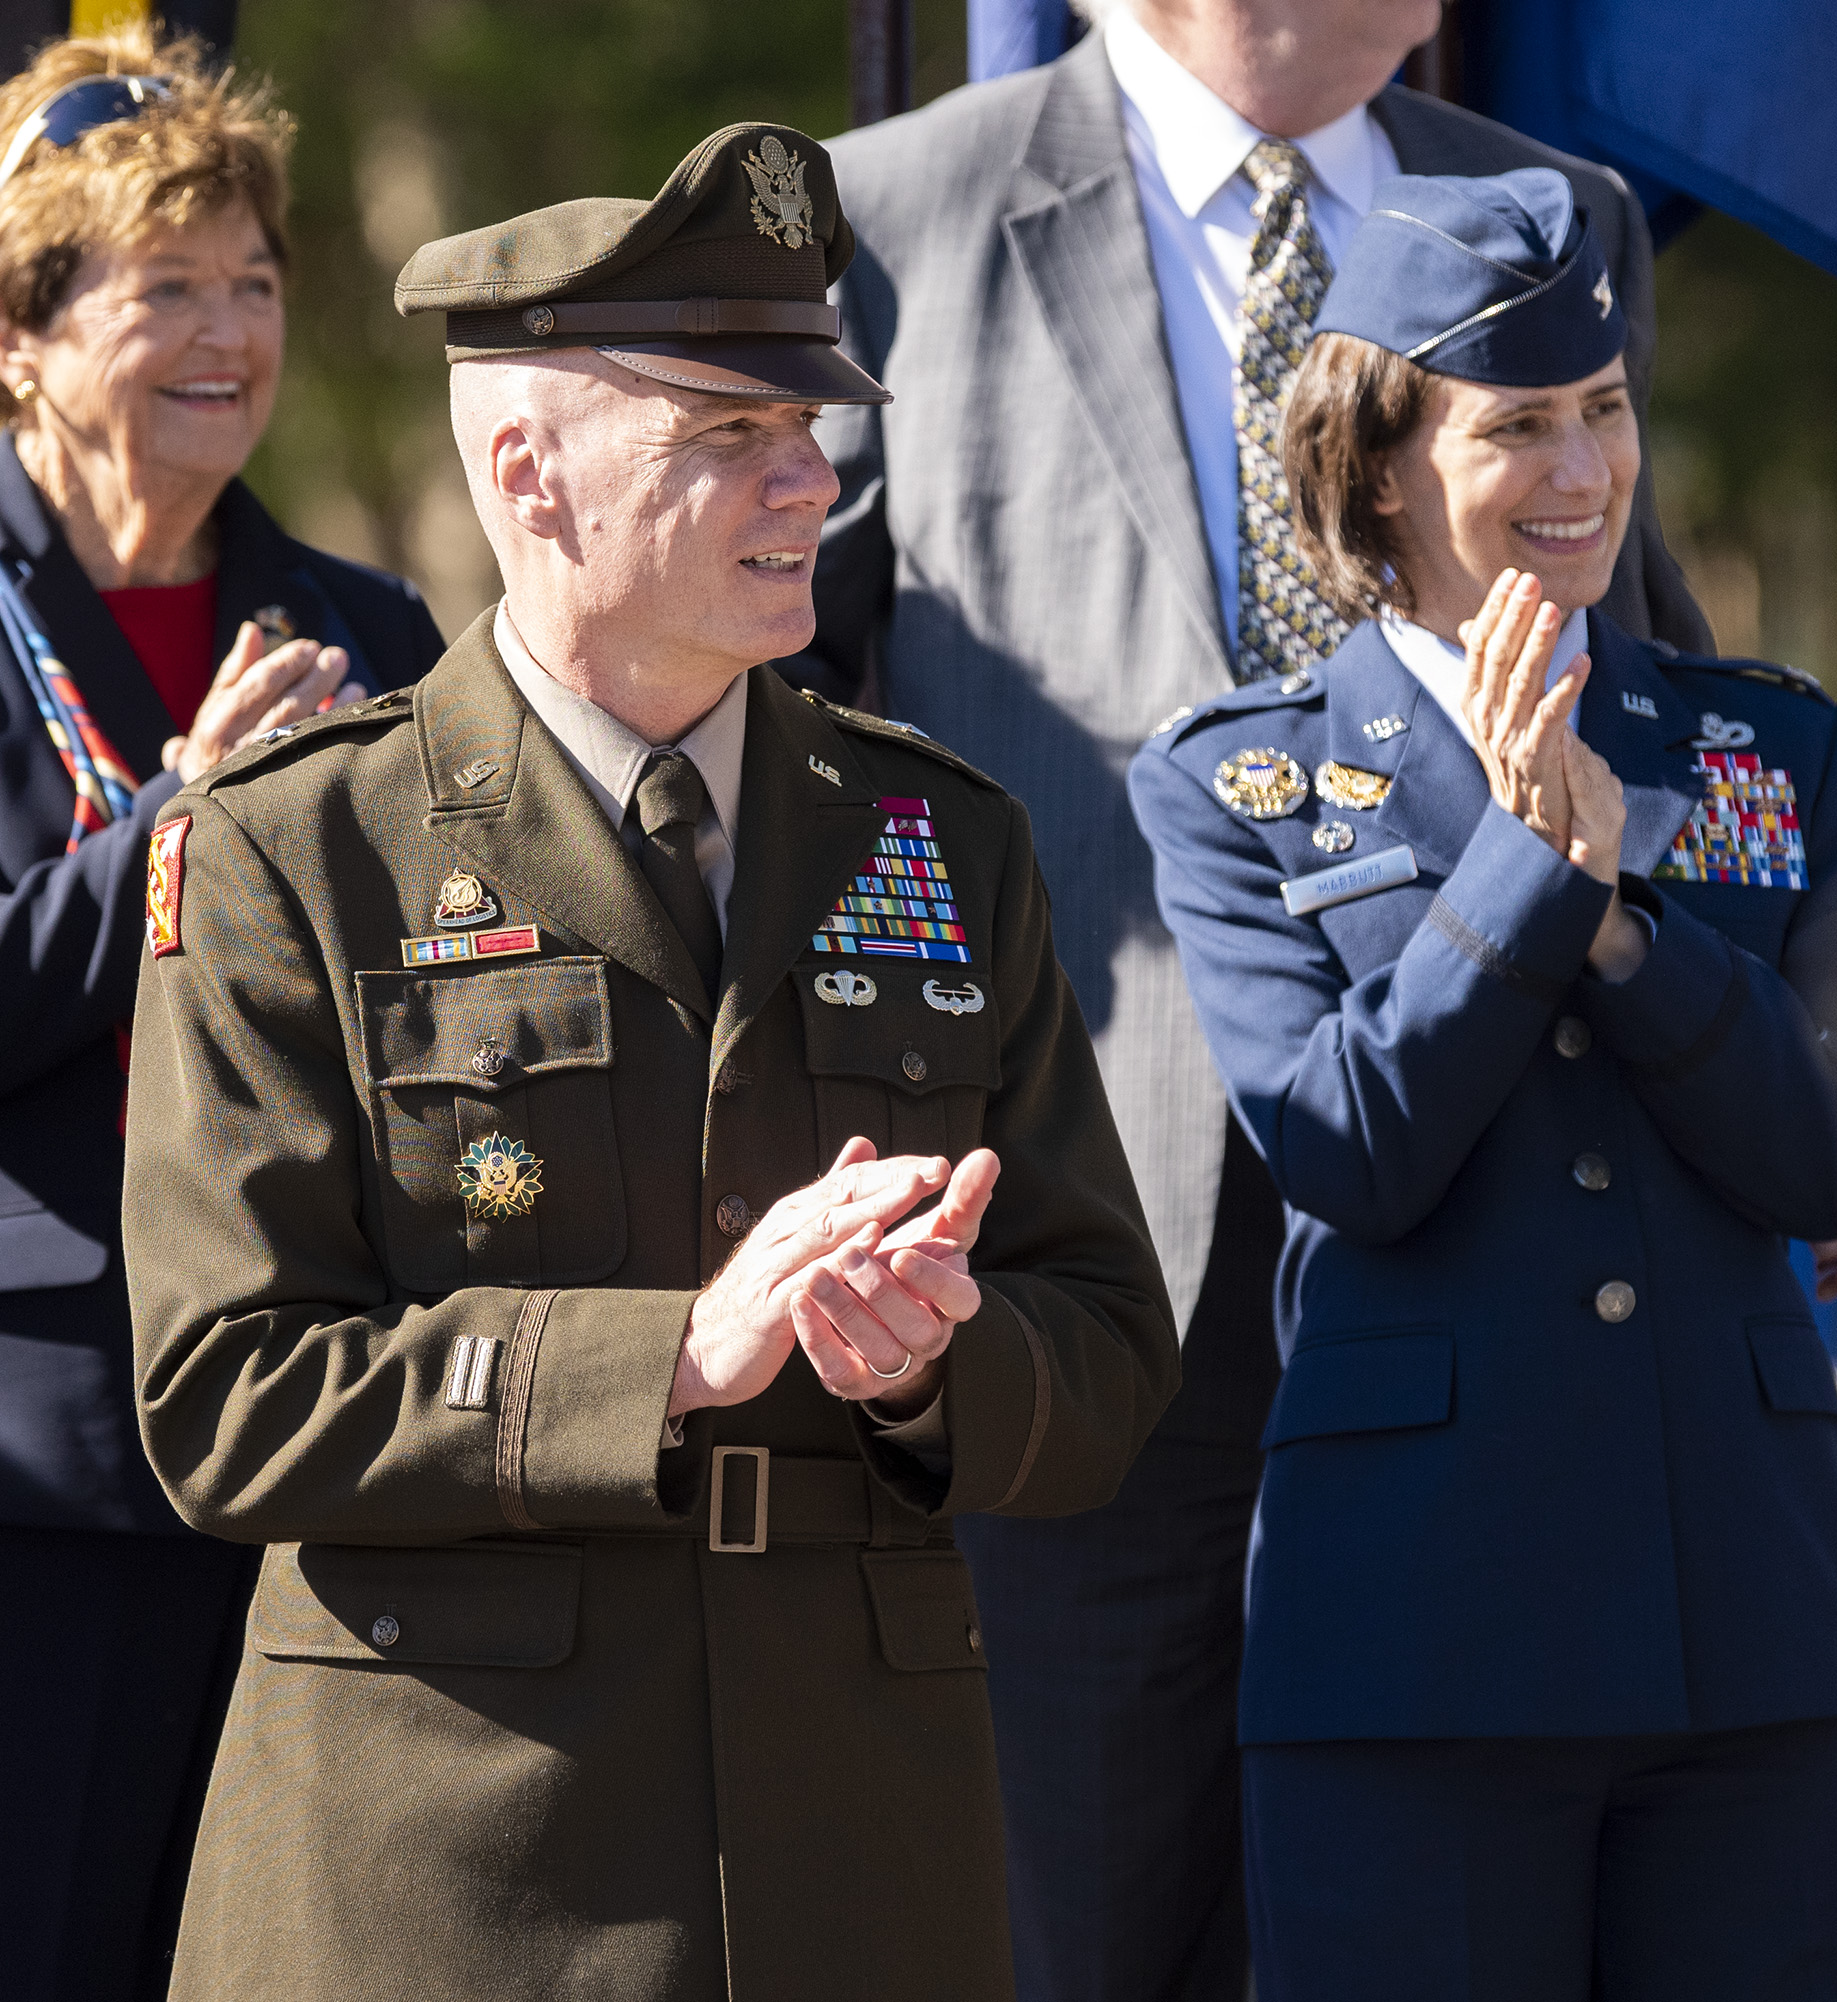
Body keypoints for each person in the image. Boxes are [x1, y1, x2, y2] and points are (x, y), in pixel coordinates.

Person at [119, 123, 1178, 2000]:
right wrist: (667, 1360)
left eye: (815, 426)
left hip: (859, 1857)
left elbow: (1102, 1348)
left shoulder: (939, 837)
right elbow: (224, 1392)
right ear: (530, 474)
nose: (810, 481)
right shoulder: (299, 847)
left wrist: (939, 1364)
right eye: (726, 440)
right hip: (461, 1873)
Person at [806, 8, 1711, 1996]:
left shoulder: (1548, 210)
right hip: (1077, 1209)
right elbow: (793, 695)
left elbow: (1655, 676)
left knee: (1447, 1909)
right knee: (1091, 1907)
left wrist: (1771, 1033)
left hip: (1488, 1200)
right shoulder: (896, 209)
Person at [1131, 168, 1837, 1999]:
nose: (1580, 473)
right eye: (1518, 425)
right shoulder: (1238, 784)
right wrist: (1530, 874)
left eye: (1605, 411)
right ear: (1383, 464)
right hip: (1414, 1654)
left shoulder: (1767, 746)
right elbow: (1345, 1146)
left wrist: (1627, 921)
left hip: (1748, 1641)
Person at [0, 30, 441, 1999]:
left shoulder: (367, 627)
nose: (227, 331)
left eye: (255, 283)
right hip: (46, 1459)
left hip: (312, 1416)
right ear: (23, 335)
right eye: (164, 287)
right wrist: (182, 823)